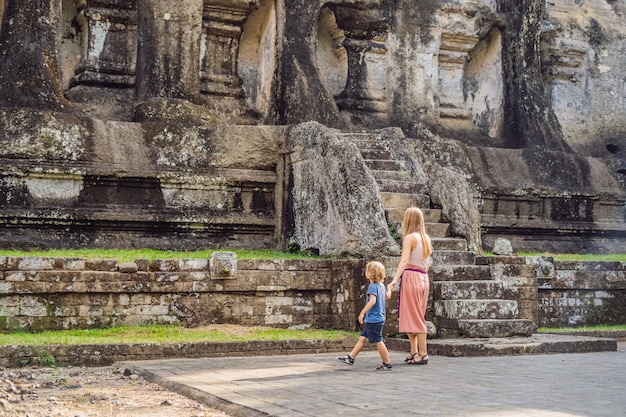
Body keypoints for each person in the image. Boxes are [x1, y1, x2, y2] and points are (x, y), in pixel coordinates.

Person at [387, 207, 433, 365]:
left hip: (411, 277)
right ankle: (413, 351)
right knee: (411, 315)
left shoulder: (409, 238)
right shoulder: (425, 238)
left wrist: (394, 280)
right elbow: (426, 263)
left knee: (416, 317)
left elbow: (405, 261)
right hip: (423, 278)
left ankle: (423, 353)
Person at [337, 261, 393, 371]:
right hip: (378, 318)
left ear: (370, 274)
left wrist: (362, 312)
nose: (365, 272)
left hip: (373, 319)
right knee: (362, 338)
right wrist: (390, 289)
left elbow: (372, 301)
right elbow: (387, 296)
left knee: (378, 341)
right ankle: (351, 358)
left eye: (367, 270)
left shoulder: (372, 287)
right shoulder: (381, 286)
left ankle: (387, 363)